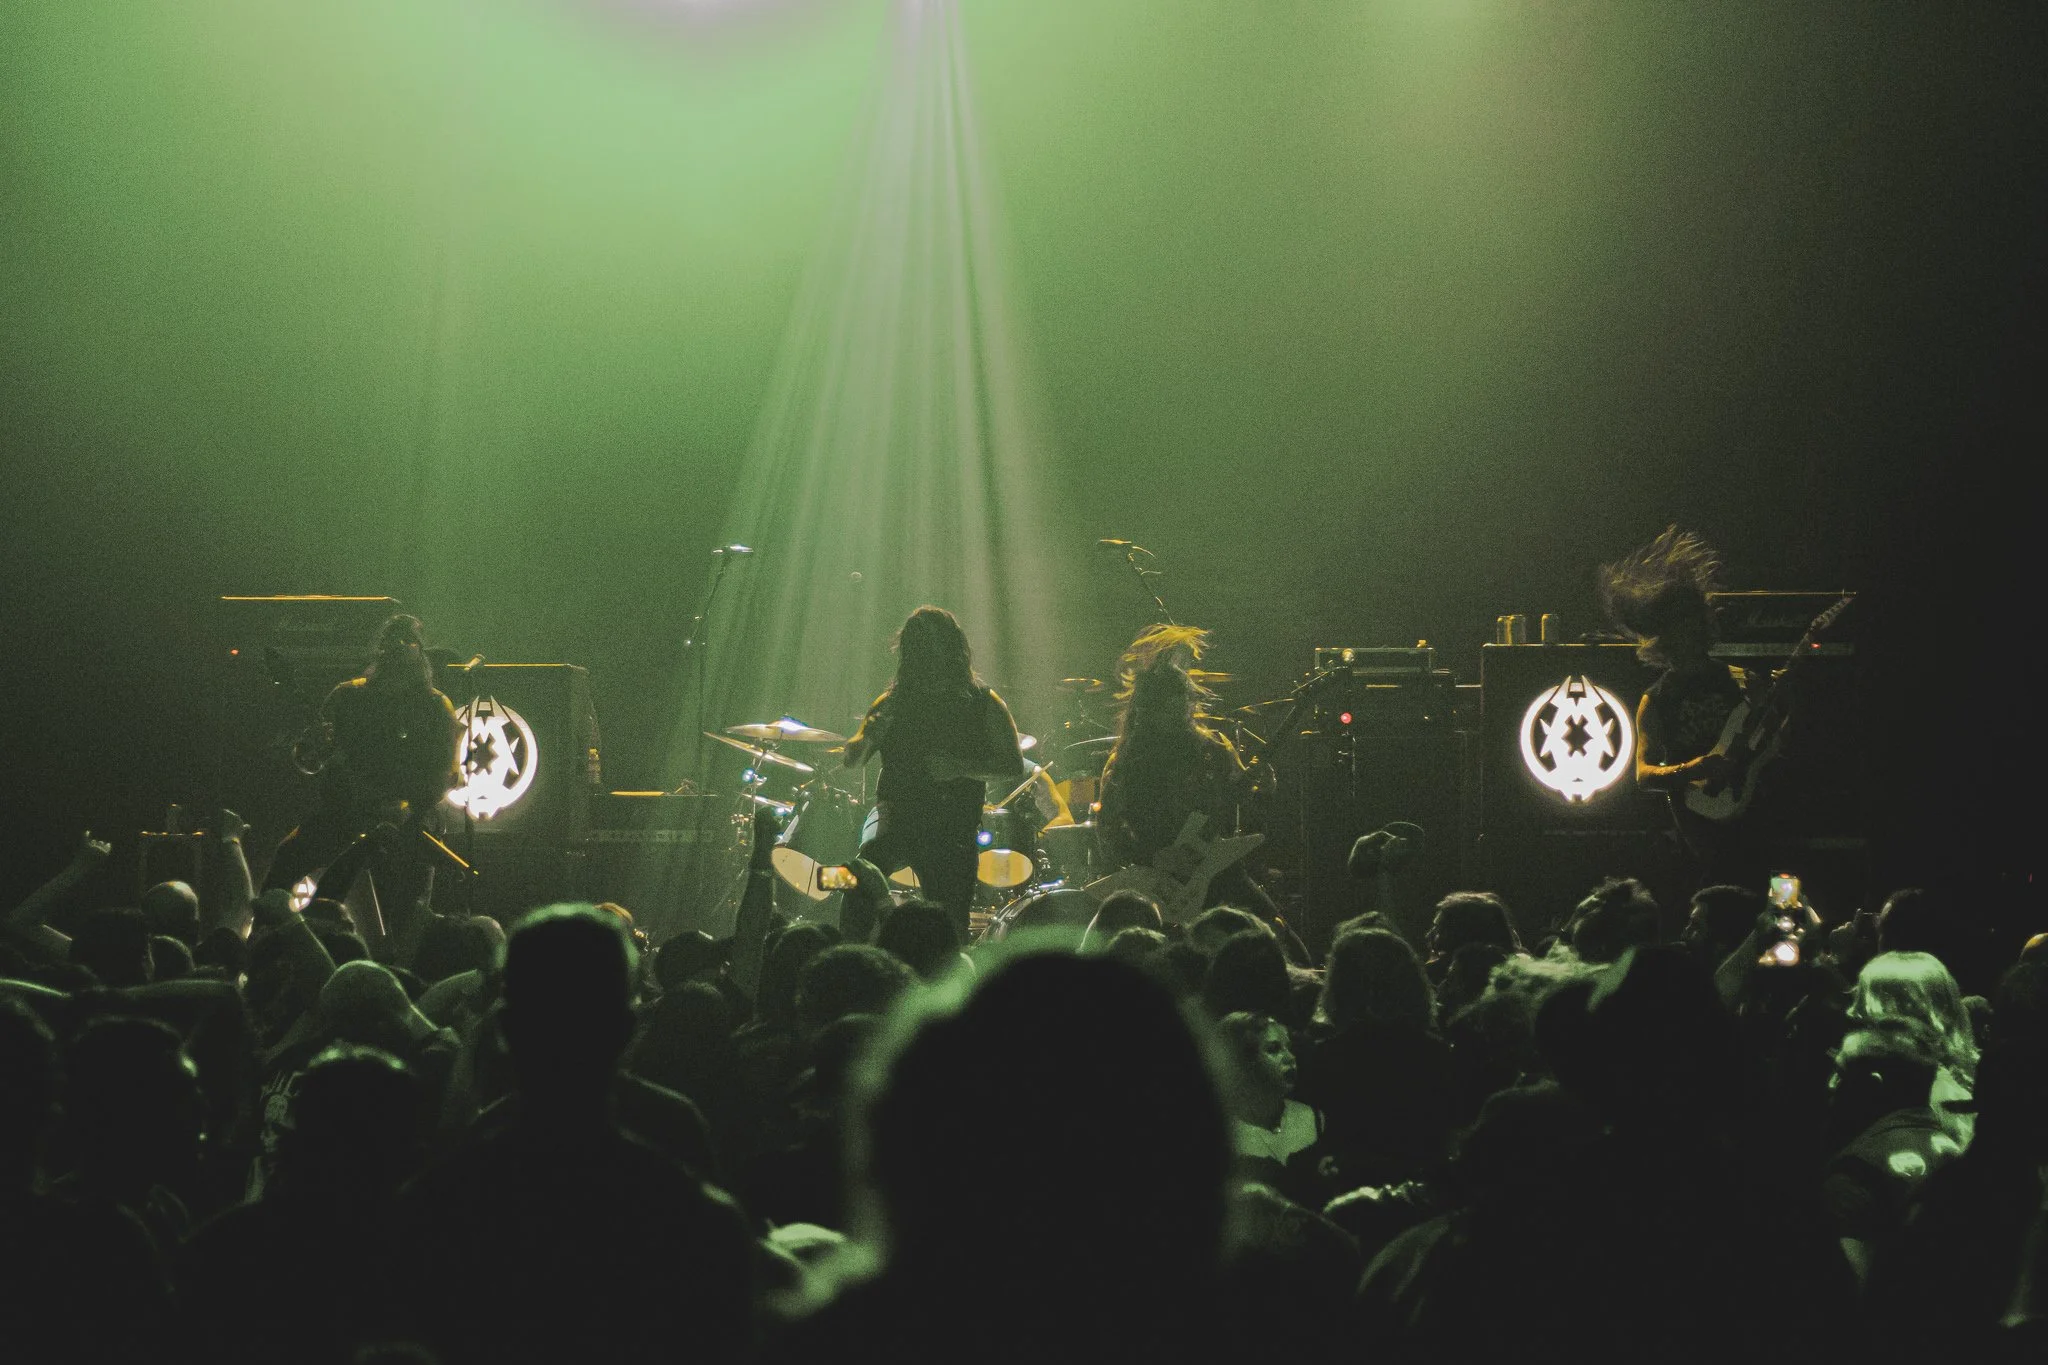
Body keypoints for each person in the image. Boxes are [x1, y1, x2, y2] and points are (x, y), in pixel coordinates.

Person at [265, 615, 461, 959]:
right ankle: (266, 942)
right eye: (390, 643)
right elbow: (310, 762)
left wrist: (397, 803)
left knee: (408, 899)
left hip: (406, 821)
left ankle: (402, 957)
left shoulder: (434, 707)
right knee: (287, 857)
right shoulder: (347, 696)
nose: (397, 651)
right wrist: (313, 751)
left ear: (420, 653)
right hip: (344, 816)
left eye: (407, 643)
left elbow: (443, 777)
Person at [1598, 526, 1778, 876]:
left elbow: (1773, 744)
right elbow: (1643, 773)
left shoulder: (1742, 680)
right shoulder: (1658, 699)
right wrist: (1692, 769)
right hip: (1698, 830)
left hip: (1755, 818)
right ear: (1666, 637)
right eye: (1684, 624)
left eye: (1697, 620)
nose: (1695, 629)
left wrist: (1783, 705)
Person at [842, 607, 1024, 939]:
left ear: (949, 648)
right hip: (896, 816)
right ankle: (852, 952)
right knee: (859, 876)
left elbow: (1012, 765)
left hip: (952, 827)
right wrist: (868, 734)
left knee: (950, 924)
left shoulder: (983, 703)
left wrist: (962, 769)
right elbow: (851, 760)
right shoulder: (892, 702)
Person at [1094, 624, 1277, 924]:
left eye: (1186, 704)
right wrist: (1153, 857)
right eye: (1172, 707)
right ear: (1151, 710)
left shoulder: (1214, 750)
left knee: (1279, 934)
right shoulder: (1126, 761)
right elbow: (1109, 829)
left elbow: (1248, 807)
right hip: (1159, 884)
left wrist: (1265, 792)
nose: (1183, 713)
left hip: (1219, 872)